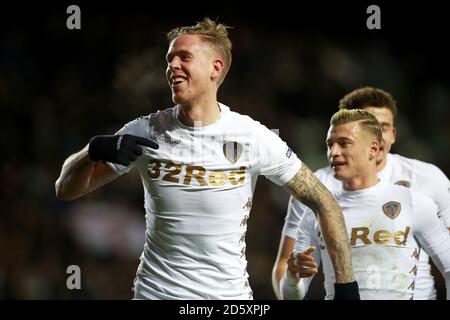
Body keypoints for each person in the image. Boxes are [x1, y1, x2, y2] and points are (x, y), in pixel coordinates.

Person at [55, 18, 358, 299]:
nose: (172, 65)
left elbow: (324, 201)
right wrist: (91, 152)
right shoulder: (145, 130)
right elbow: (66, 189)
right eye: (169, 59)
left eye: (184, 57)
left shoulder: (251, 136)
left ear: (215, 67)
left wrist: (346, 287)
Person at [272, 87, 450, 299]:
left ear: (375, 145)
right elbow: (291, 285)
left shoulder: (417, 196)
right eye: (330, 144)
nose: (333, 152)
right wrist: (292, 278)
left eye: (344, 143)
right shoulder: (314, 203)